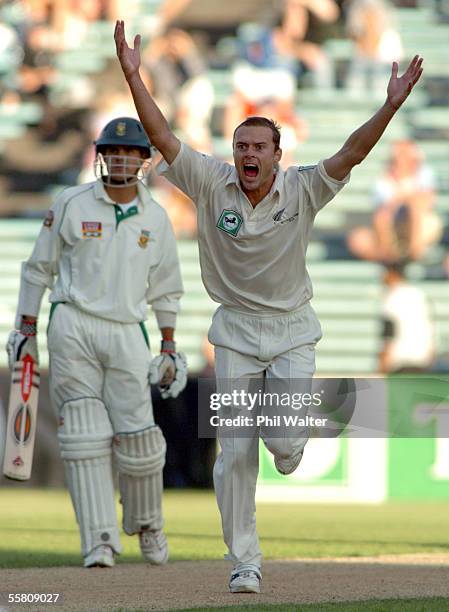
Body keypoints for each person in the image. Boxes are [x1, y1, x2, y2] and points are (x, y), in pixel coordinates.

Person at [115, 19, 422, 594]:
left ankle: (291, 438)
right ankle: (245, 562)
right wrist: (135, 76)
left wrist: (390, 106)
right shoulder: (210, 181)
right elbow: (161, 138)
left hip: (291, 328)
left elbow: (353, 152)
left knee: (281, 445)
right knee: (233, 452)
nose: (248, 154)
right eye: (241, 146)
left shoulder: (303, 188)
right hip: (233, 329)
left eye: (259, 146)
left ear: (278, 155)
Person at [6, 116, 186, 569]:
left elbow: (166, 288)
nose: (120, 159)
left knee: (141, 441)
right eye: (112, 152)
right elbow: (37, 269)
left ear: (145, 161)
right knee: (84, 433)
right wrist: (24, 329)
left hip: (127, 328)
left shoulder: (156, 217)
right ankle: (99, 540)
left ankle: (147, 524)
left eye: (129, 152)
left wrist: (168, 345)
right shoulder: (71, 202)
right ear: (101, 157)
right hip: (73, 323)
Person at [347, 139, 441, 263]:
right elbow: (383, 212)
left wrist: (403, 200)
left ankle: (411, 253)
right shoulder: (383, 180)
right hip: (393, 230)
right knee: (358, 239)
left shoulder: (424, 174)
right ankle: (391, 257)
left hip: (421, 227)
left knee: (414, 209)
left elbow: (425, 202)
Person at [379, 262, 435, 373]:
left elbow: (389, 330)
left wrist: (384, 356)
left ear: (392, 274)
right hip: (422, 356)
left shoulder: (392, 297)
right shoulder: (419, 294)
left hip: (400, 357)